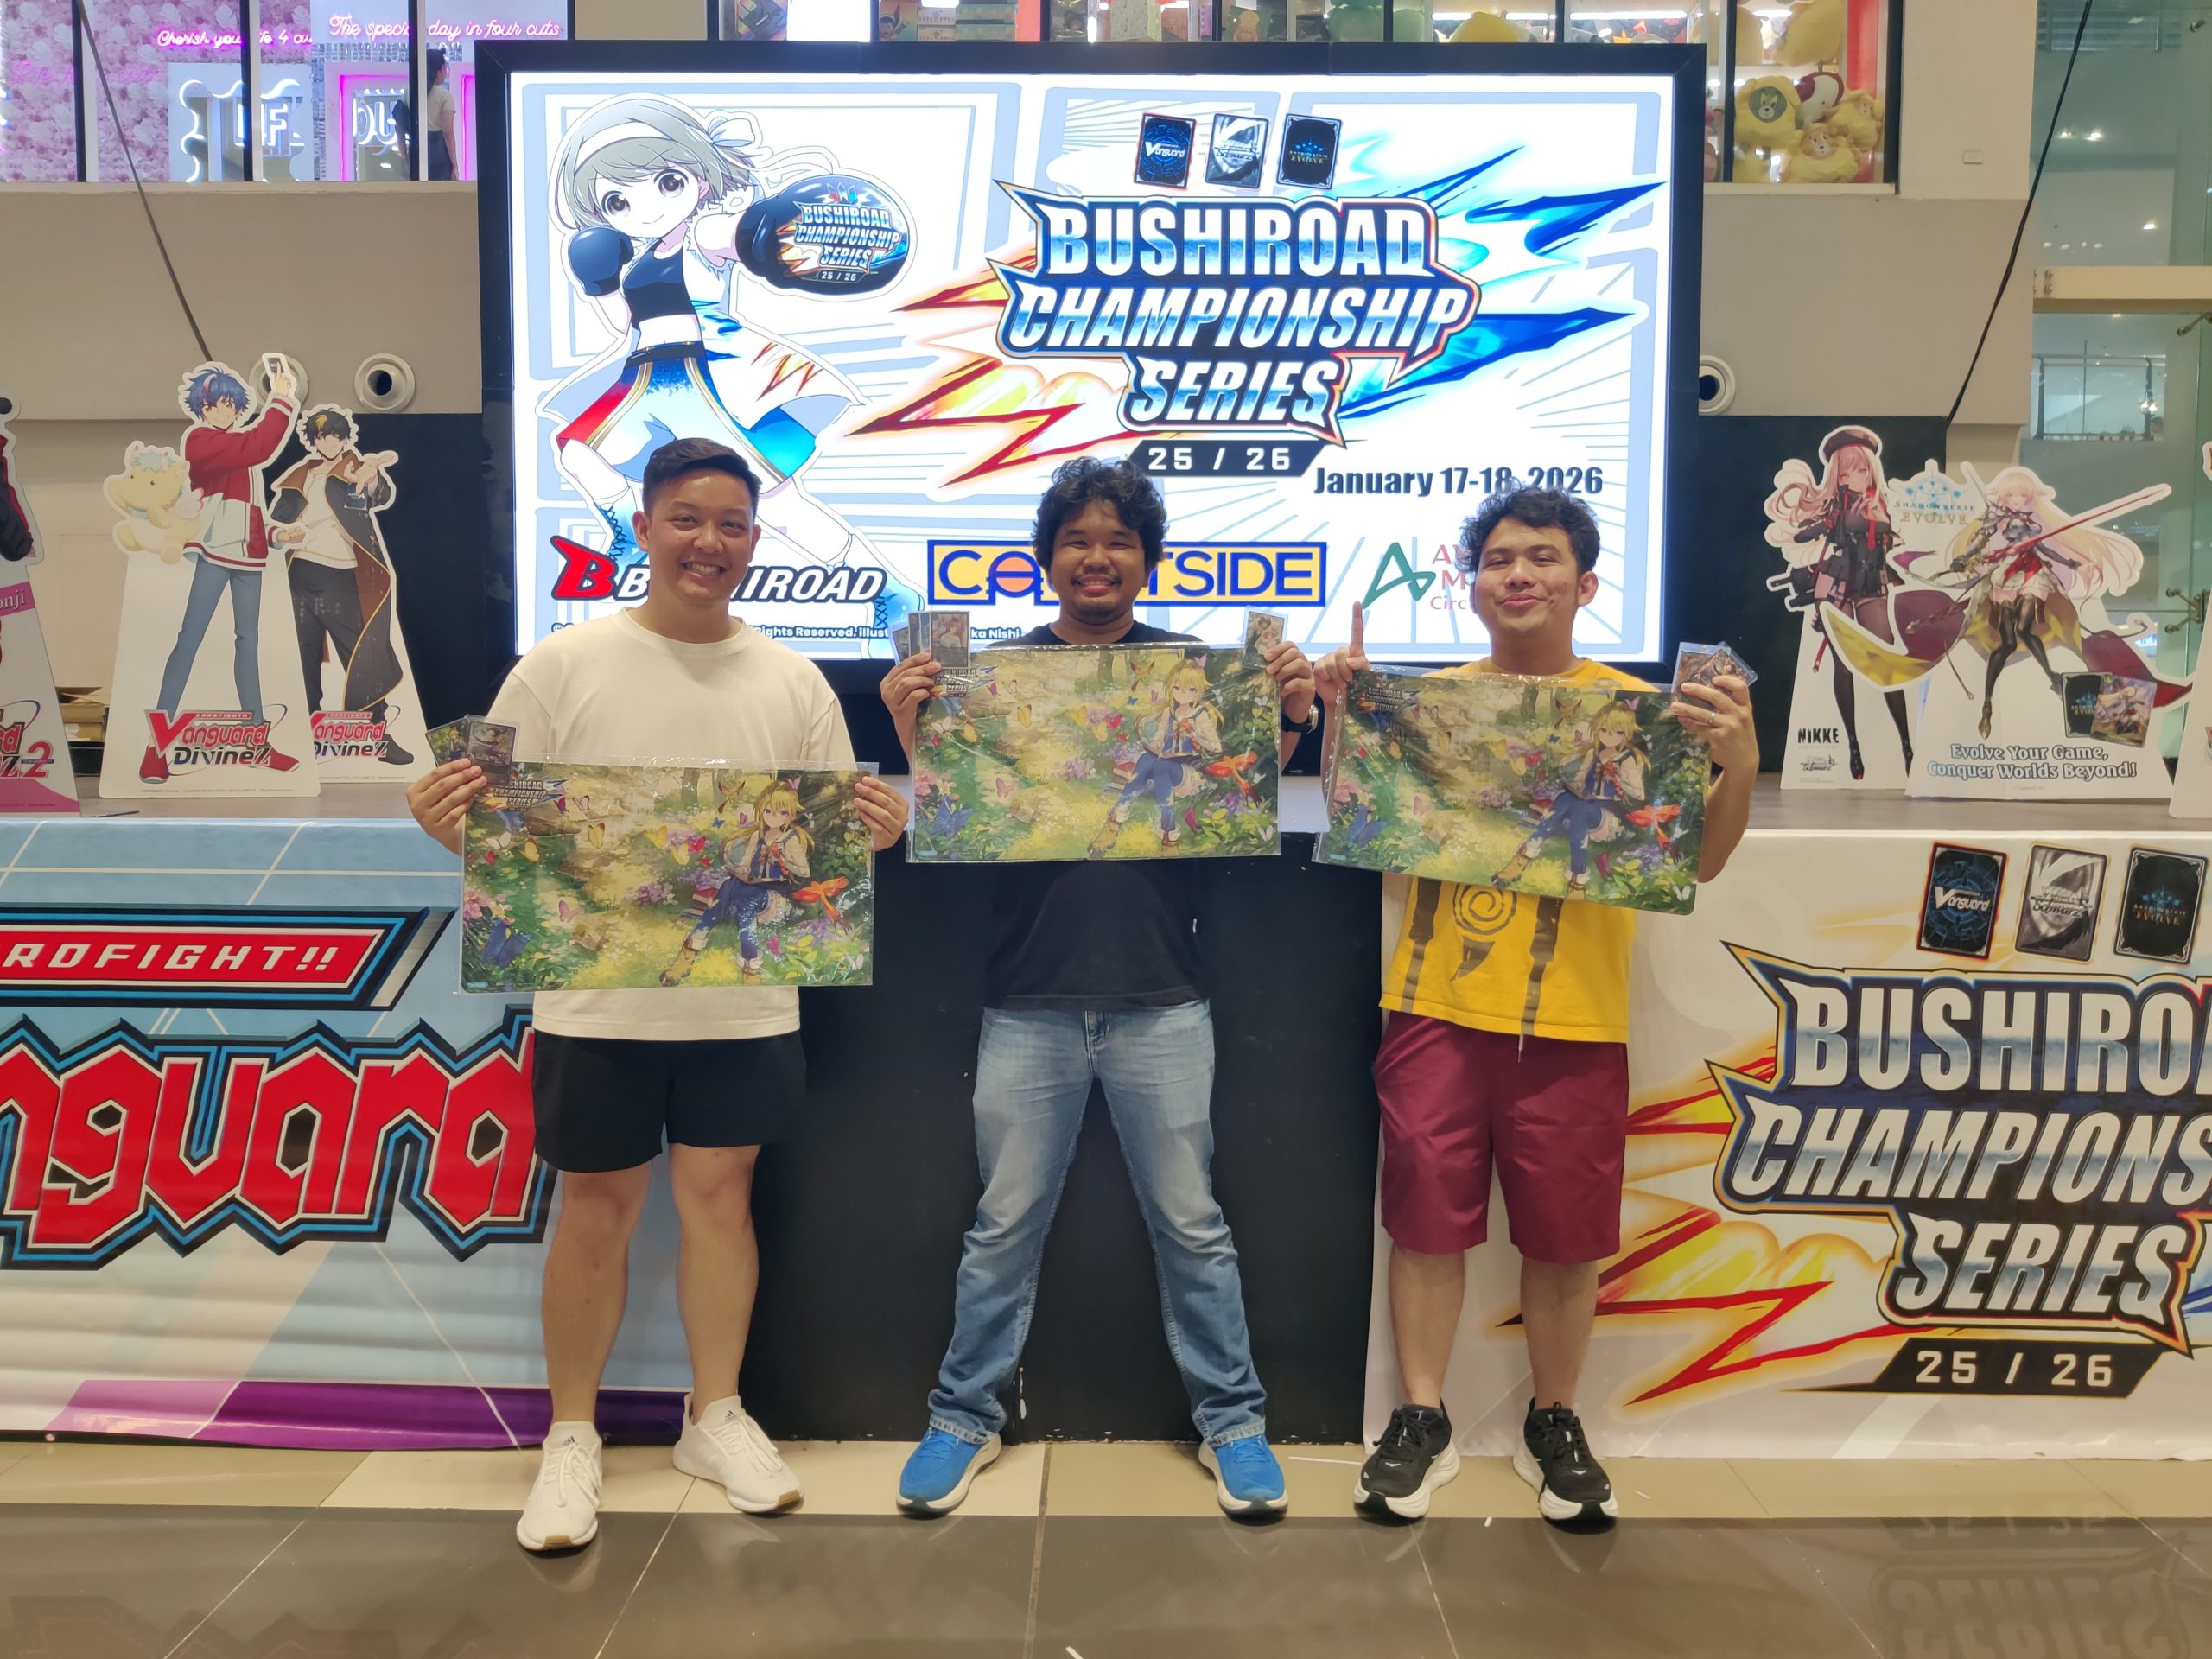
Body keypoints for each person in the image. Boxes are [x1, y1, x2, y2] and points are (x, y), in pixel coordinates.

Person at [407, 436, 908, 1555]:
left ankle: (714, 1416)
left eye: (731, 524)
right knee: (596, 1208)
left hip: (746, 1004)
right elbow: (490, 825)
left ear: (755, 541)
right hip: (596, 1007)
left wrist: (873, 834)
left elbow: (827, 850)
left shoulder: (794, 682)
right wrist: (447, 822)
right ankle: (570, 1437)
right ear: (642, 529)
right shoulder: (559, 665)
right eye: (687, 519)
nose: (708, 542)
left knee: (721, 1202)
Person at [879, 456, 1319, 1519]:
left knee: (1193, 1225)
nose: (1097, 557)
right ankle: (962, 1417)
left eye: (1118, 540)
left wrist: (1292, 718)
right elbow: (956, 821)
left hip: (1163, 998)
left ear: (1146, 561)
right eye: (1077, 539)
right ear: (1046, 559)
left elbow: (1239, 802)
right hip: (1026, 1000)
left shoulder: (1193, 675)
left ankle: (1233, 1424)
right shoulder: (993, 679)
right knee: (1001, 1226)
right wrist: (910, 730)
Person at [1313, 486, 1757, 1526]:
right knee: (1425, 1222)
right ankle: (1420, 1416)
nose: (1518, 575)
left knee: (1564, 1238)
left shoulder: (1644, 715)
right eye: (1499, 559)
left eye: (1543, 558)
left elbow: (1699, 860)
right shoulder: (1427, 706)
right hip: (1432, 1002)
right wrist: (1344, 718)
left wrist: (1734, 763)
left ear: (1586, 583)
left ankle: (1553, 1419)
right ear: (1471, 587)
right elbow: (1359, 821)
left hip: (1576, 1015)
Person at [143, 364, 301, 783]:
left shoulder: (238, 451)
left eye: (230, 403)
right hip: (214, 550)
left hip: (248, 554)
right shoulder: (200, 440)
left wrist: (277, 533)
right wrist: (281, 398)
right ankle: (155, 749)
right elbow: (258, 446)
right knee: (189, 640)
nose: (223, 410)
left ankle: (256, 742)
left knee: (248, 643)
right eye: (215, 404)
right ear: (202, 408)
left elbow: (248, 508)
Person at [269, 405, 415, 766]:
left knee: (364, 652)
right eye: (322, 436)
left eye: (335, 435)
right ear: (313, 440)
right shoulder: (300, 474)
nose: (329, 442)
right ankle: (306, 734)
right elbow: (275, 521)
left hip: (341, 575)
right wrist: (282, 534)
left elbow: (379, 495)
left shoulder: (355, 468)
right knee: (303, 654)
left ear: (345, 437)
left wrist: (369, 479)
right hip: (300, 572)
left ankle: (376, 734)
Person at [424, 49, 459, 181]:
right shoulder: (445, 96)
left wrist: (405, 155)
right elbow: (448, 132)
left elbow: (398, 124)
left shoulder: (410, 92)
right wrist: (455, 166)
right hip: (439, 156)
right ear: (440, 70)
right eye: (445, 68)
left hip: (416, 152)